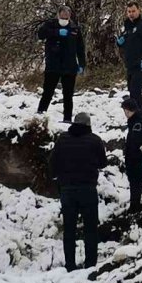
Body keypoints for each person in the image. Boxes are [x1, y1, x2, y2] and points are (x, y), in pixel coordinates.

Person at [49, 112, 107, 271]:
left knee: (69, 229)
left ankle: (70, 265)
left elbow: (53, 162)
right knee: (90, 229)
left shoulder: (62, 139)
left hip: (67, 189)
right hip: (88, 189)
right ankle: (90, 265)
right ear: (88, 125)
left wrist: (58, 179)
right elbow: (103, 163)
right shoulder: (95, 140)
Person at [37, 6, 86, 123]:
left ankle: (67, 119)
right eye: (63, 14)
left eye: (67, 14)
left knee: (68, 95)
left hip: (69, 66)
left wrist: (81, 64)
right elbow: (40, 34)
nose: (65, 16)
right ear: (58, 14)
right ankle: (40, 116)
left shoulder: (74, 28)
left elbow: (80, 48)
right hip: (53, 65)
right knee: (48, 92)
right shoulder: (51, 24)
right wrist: (56, 32)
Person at [115, 2, 142, 108]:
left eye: (133, 11)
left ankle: (140, 113)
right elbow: (125, 40)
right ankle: (135, 113)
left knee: (135, 90)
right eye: (129, 12)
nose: (131, 14)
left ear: (138, 11)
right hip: (130, 63)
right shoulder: (127, 25)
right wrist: (119, 42)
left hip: (141, 63)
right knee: (131, 89)